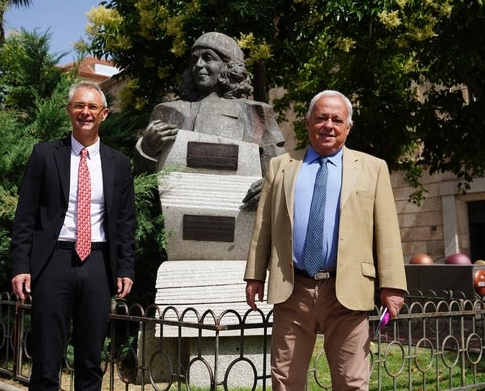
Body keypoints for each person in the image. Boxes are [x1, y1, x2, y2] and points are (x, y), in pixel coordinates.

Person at [244, 90, 407, 390]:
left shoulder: (373, 168)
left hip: (347, 291)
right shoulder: (280, 167)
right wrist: (254, 275)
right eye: (320, 118)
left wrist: (392, 285)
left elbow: (387, 230)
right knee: (285, 381)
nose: (328, 125)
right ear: (307, 123)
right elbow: (264, 225)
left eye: (336, 119)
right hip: (293, 288)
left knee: (351, 381)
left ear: (348, 127)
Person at [10, 81, 136, 391]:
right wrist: (20, 266)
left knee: (91, 361)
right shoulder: (44, 155)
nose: (85, 112)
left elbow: (125, 221)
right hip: (53, 262)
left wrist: (126, 267)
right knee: (46, 360)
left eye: (92, 107)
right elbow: (25, 215)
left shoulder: (118, 163)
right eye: (79, 106)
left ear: (104, 114)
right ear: (69, 111)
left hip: (97, 264)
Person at [133, 31, 286, 209]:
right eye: (194, 59)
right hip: (176, 217)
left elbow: (281, 170)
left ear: (228, 66)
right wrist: (146, 150)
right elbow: (143, 183)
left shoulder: (255, 112)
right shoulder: (167, 111)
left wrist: (270, 185)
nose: (198, 65)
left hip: (240, 218)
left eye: (208, 58)